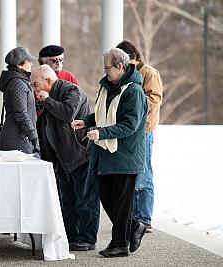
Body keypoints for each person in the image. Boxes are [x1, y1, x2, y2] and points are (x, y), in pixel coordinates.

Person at [71, 48, 147, 257]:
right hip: (107, 154)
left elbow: (129, 124)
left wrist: (101, 133)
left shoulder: (134, 91)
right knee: (106, 196)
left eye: (108, 68)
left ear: (120, 66)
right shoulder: (109, 87)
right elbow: (103, 113)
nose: (105, 72)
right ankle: (133, 227)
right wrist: (86, 121)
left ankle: (120, 244)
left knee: (121, 202)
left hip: (126, 156)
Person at [32, 65, 99, 251]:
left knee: (86, 199)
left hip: (81, 154)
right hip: (62, 157)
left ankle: (87, 239)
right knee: (67, 200)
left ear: (48, 81)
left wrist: (47, 100)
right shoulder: (46, 98)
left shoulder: (71, 90)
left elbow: (68, 113)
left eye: (36, 84)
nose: (34, 89)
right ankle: (71, 236)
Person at [117, 40, 163, 233]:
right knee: (133, 172)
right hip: (131, 130)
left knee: (144, 174)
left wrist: (132, 105)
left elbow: (154, 100)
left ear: (132, 58)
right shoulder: (128, 75)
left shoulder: (149, 73)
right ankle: (135, 217)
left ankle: (144, 218)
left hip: (143, 130)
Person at [0, 47, 40, 155]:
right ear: (19, 64)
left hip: (21, 138)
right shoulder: (17, 83)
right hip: (17, 140)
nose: (32, 64)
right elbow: (21, 114)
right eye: (29, 61)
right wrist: (33, 137)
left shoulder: (21, 82)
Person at [36, 45, 79, 116]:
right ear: (45, 62)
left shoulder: (69, 76)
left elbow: (77, 100)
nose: (58, 63)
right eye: (54, 61)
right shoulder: (37, 77)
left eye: (61, 60)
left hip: (66, 118)